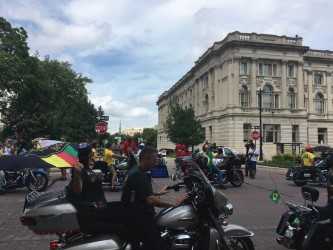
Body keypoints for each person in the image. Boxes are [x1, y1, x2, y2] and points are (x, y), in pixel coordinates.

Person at [121, 146, 184, 250]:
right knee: (157, 244)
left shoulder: (136, 170)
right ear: (146, 159)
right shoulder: (139, 175)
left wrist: (158, 193)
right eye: (154, 160)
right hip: (139, 217)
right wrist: (174, 205)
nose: (156, 163)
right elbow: (150, 200)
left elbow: (141, 193)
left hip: (133, 213)